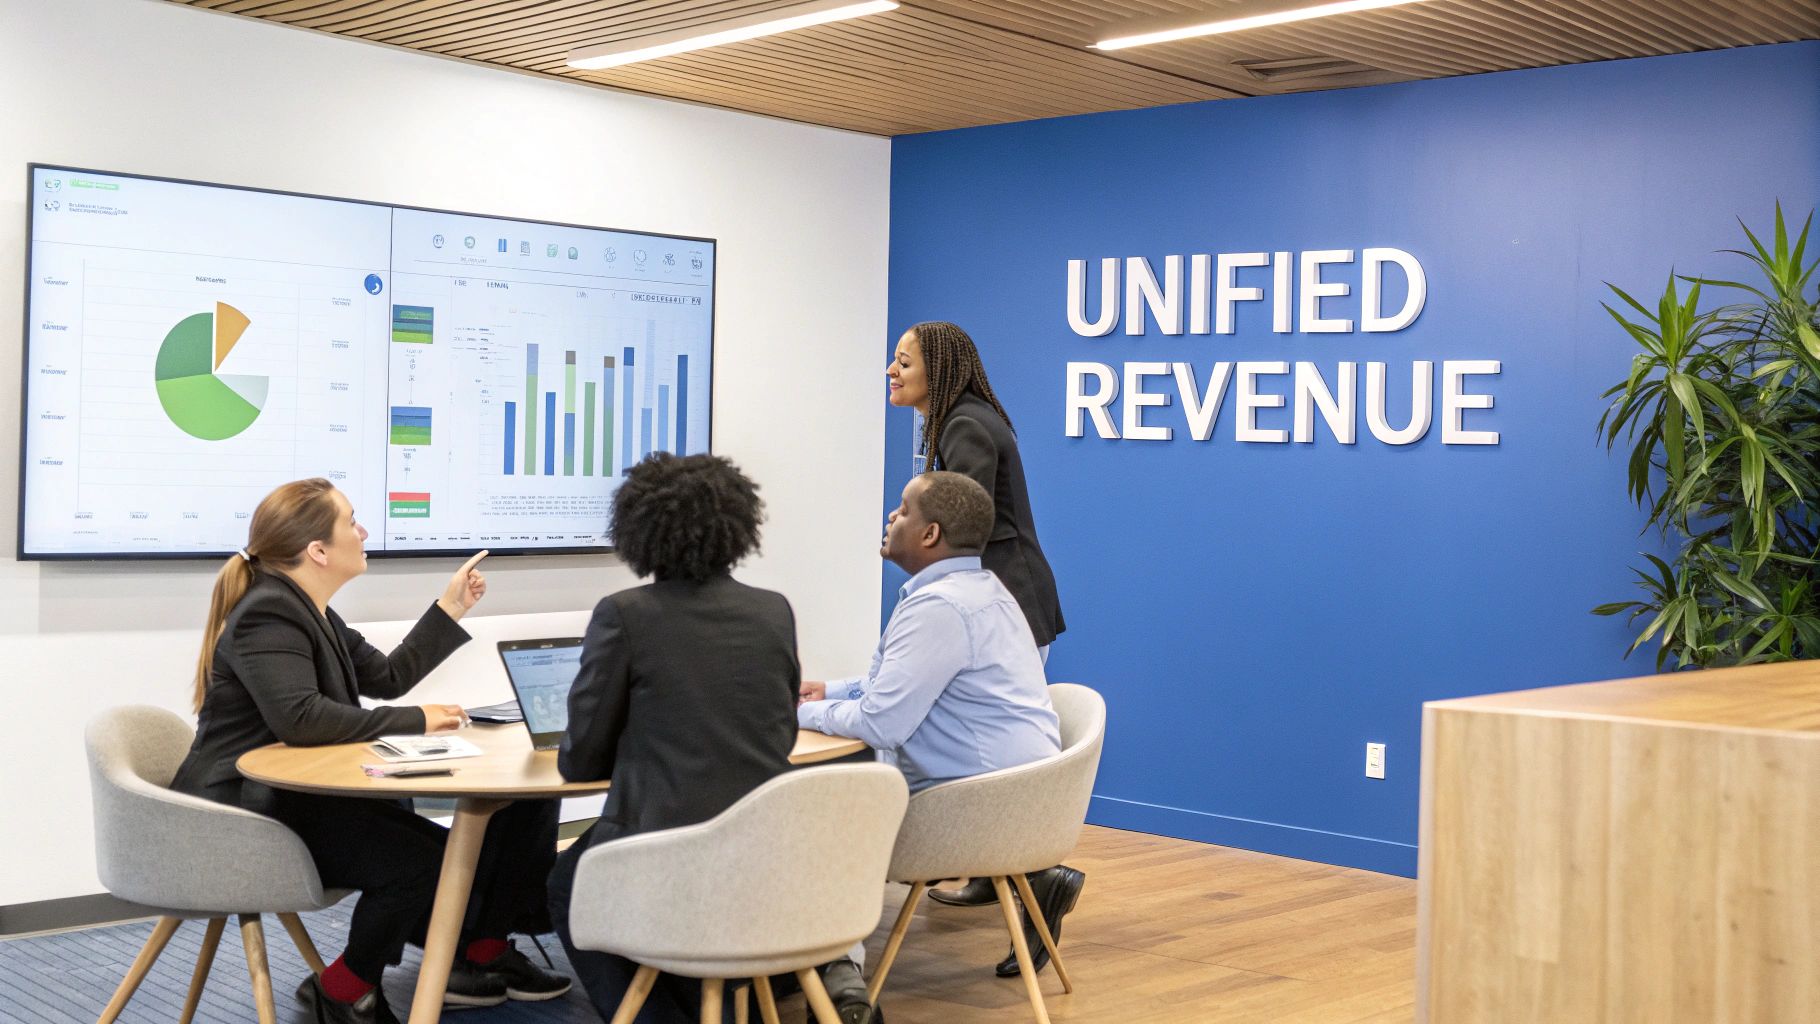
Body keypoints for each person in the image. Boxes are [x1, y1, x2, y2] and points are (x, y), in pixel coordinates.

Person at [169, 478, 569, 1024]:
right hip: (248, 814)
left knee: (459, 852)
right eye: (351, 522)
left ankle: (473, 954)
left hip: (299, 798)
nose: (363, 532)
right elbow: (302, 718)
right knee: (422, 865)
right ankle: (343, 990)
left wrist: (450, 607)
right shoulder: (269, 612)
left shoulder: (311, 610)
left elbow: (388, 675)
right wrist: (418, 721)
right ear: (318, 551)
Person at [798, 471, 1084, 987]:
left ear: (930, 535)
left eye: (903, 510)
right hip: (1026, 800)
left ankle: (832, 976)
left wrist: (794, 714)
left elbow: (881, 721)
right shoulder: (981, 590)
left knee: (819, 811)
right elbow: (901, 681)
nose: (891, 517)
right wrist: (832, 691)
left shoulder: (940, 607)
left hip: (975, 806)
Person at [548, 453, 800, 1024]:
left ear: (637, 530)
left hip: (661, 845)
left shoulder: (624, 615)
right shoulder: (772, 611)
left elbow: (581, 759)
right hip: (763, 846)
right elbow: (778, 732)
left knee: (569, 884)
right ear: (738, 526)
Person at [884, 322, 1083, 968]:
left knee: (1000, 761)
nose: (891, 369)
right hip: (1007, 600)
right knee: (993, 755)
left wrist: (916, 559)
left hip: (1006, 605)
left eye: (904, 360)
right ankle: (989, 870)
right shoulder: (963, 418)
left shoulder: (963, 426)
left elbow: (960, 527)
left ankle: (1040, 880)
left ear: (937, 369)